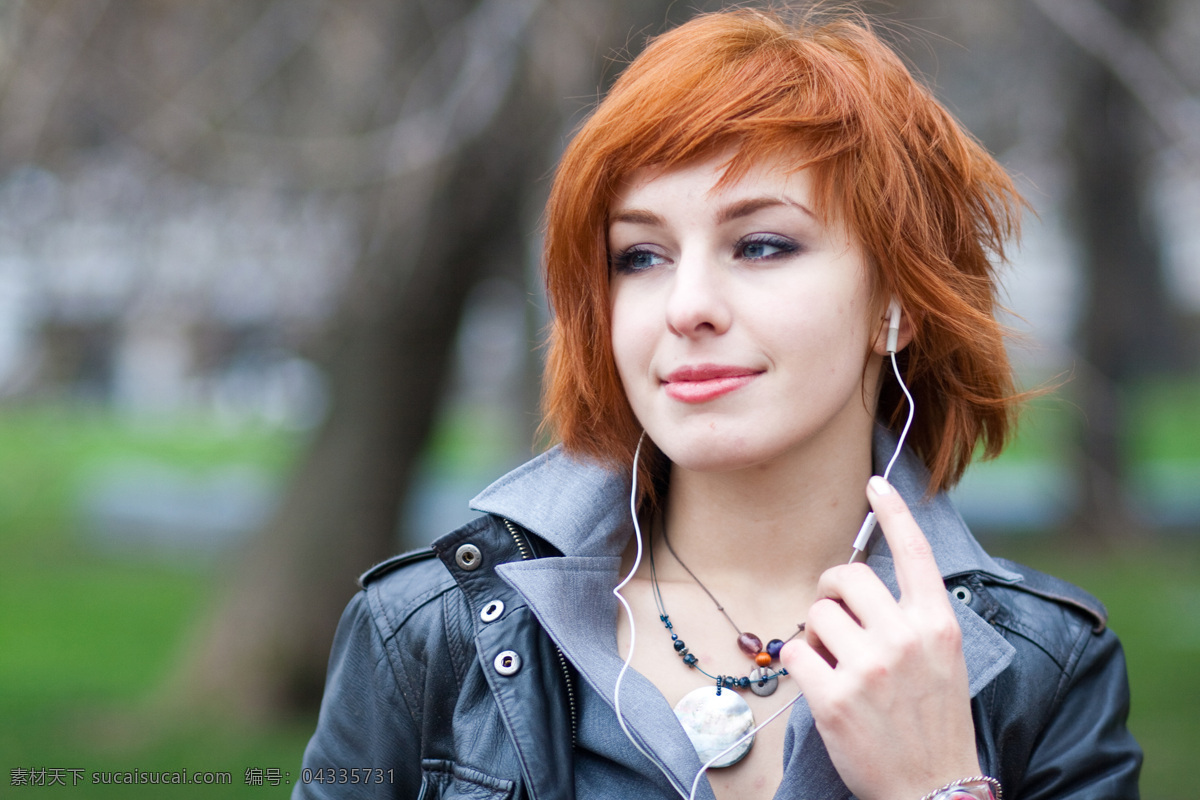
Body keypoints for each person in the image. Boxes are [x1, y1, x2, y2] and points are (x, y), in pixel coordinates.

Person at [296, 7, 1141, 800]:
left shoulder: (1044, 668)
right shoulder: (427, 635)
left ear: (896, 302)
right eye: (640, 256)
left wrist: (938, 784)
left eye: (762, 244)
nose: (685, 305)